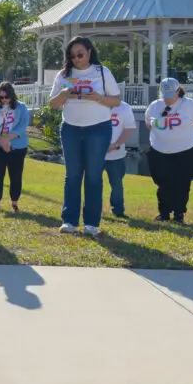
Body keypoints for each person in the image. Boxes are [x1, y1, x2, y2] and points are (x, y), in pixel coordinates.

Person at [49, 36, 121, 236]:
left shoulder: (102, 72)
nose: (76, 59)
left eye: (80, 54)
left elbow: (116, 101)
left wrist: (98, 97)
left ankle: (91, 224)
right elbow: (53, 104)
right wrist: (64, 93)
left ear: (89, 51)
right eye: (72, 56)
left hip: (98, 128)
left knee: (93, 175)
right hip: (71, 129)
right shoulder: (64, 74)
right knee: (72, 175)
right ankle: (69, 221)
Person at [145, 78, 193, 223]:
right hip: (159, 151)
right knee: (162, 183)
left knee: (182, 183)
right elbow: (149, 124)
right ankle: (164, 213)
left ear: (178, 91)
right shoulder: (155, 106)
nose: (167, 98)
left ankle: (179, 214)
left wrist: (190, 135)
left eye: (170, 95)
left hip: (186, 151)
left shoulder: (190, 105)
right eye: (164, 95)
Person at [0, 82, 29, 212]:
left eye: (7, 97)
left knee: (15, 175)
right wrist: (2, 142)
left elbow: (22, 125)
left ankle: (14, 201)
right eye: (1, 97)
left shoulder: (21, 107)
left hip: (17, 147)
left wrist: (8, 140)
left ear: (12, 96)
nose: (4, 100)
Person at [105, 100, 137, 219]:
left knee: (117, 184)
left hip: (116, 154)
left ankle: (118, 211)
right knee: (92, 182)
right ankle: (91, 208)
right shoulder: (93, 105)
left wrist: (116, 145)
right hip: (95, 154)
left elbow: (128, 129)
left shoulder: (124, 107)